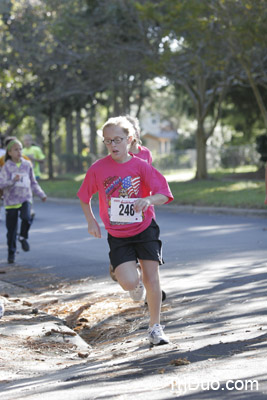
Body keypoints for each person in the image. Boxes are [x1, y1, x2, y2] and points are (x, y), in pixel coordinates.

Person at [77, 116, 173, 346]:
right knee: (130, 283)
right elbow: (83, 196)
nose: (113, 145)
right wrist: (91, 221)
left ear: (129, 140)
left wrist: (148, 200)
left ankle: (155, 328)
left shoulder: (141, 166)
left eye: (118, 139)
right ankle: (132, 281)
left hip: (144, 228)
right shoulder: (98, 169)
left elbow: (164, 193)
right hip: (118, 235)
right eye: (108, 141)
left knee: (152, 278)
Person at [0, 138, 47, 264]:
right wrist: (12, 181)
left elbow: (33, 182)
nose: (19, 152)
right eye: (16, 150)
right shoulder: (6, 167)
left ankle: (23, 236)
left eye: (20, 149)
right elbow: (1, 183)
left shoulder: (27, 164)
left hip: (25, 198)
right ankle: (11, 253)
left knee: (27, 217)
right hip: (11, 202)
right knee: (11, 230)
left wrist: (41, 194)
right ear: (9, 152)